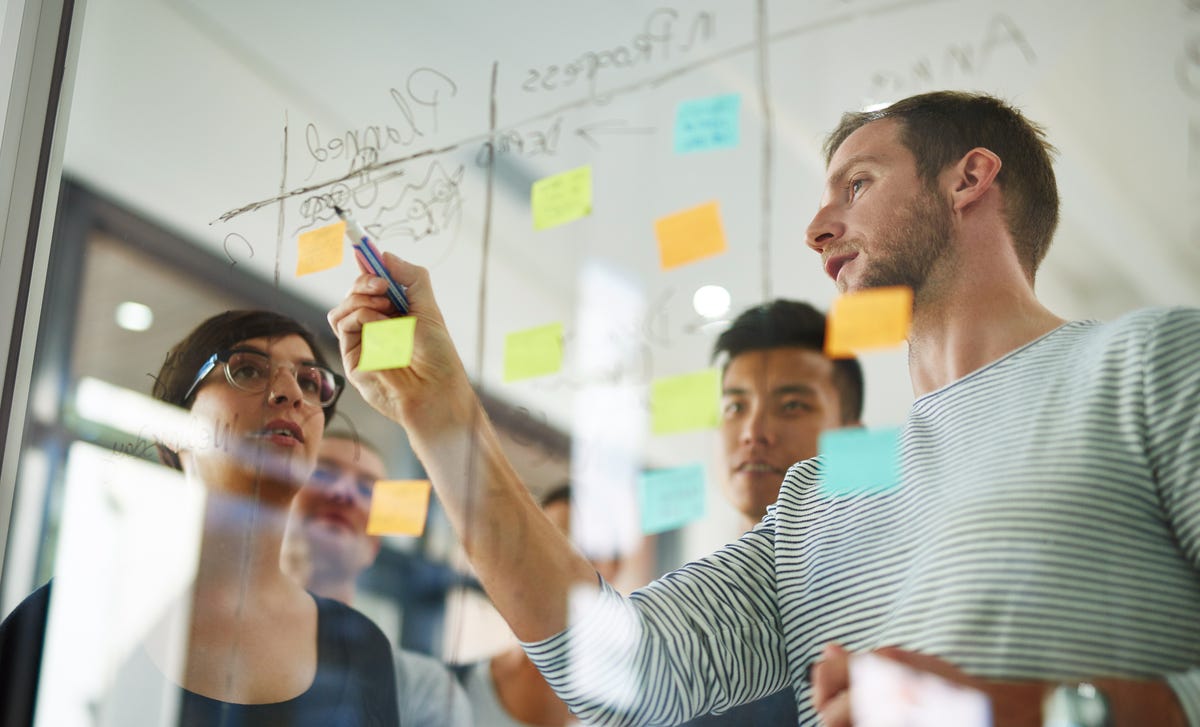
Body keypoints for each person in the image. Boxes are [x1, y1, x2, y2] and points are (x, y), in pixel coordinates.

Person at [328, 90, 1199, 726]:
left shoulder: (1151, 364)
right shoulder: (817, 501)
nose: (817, 227)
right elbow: (623, 673)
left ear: (970, 178)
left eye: (856, 185)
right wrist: (438, 410)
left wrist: (1045, 711)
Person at [0, 310, 399, 726]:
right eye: (246, 370)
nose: (290, 394)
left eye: (309, 381)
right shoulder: (82, 613)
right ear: (174, 429)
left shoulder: (360, 649)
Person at [281, 429, 473, 727]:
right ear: (277, 506)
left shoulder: (422, 690)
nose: (343, 493)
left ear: (374, 546)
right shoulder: (208, 635)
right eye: (323, 473)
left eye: (367, 490)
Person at [455, 484, 620, 727]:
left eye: (586, 552)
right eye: (547, 548)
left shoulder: (641, 707)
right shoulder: (457, 689)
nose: (561, 566)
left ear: (614, 568)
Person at [712, 299, 863, 532]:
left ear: (851, 439)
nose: (753, 433)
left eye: (792, 406)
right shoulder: (698, 567)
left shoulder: (885, 563)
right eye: (735, 407)